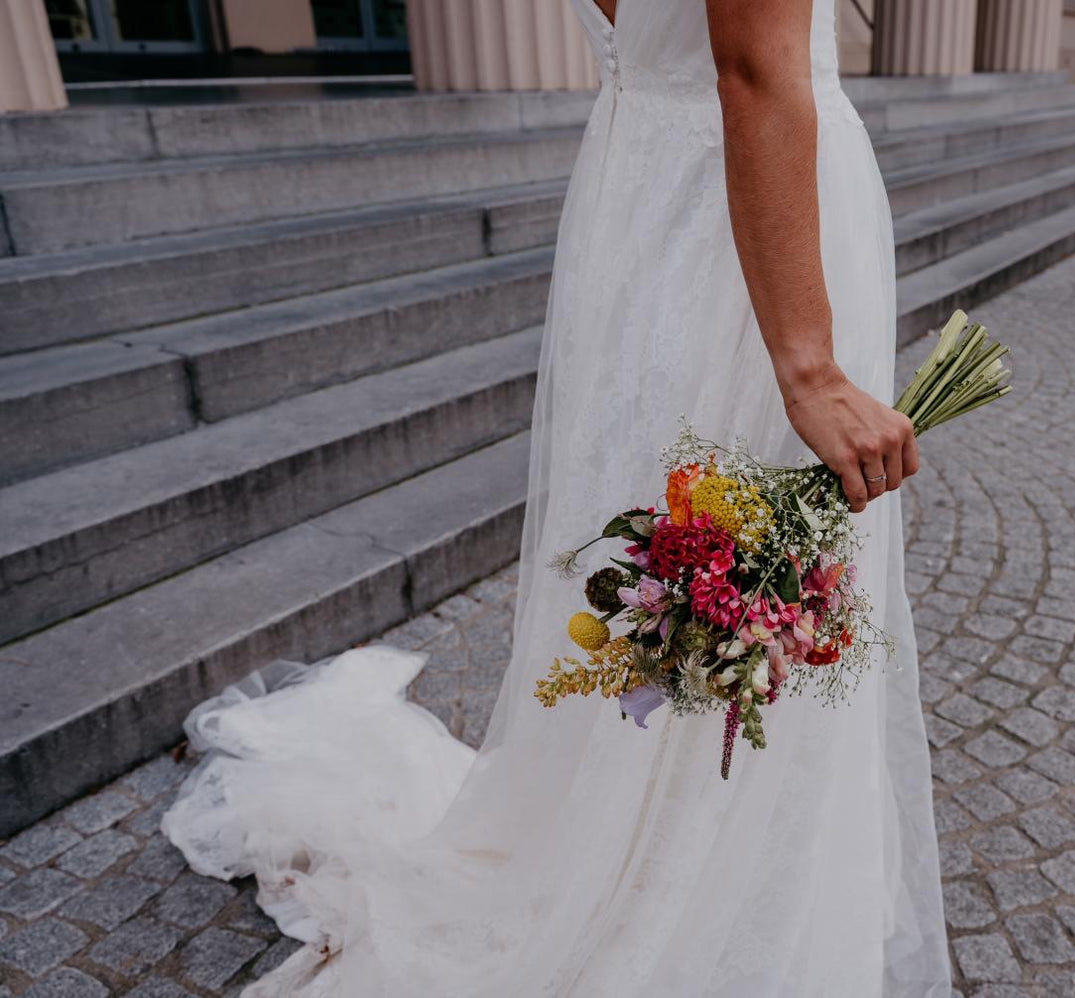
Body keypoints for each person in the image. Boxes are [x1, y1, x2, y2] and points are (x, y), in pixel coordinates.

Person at [163, 0, 951, 993]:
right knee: (741, 578)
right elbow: (753, 68)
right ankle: (721, 902)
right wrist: (810, 368)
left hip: (648, 206)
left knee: (702, 574)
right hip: (757, 219)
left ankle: (665, 858)